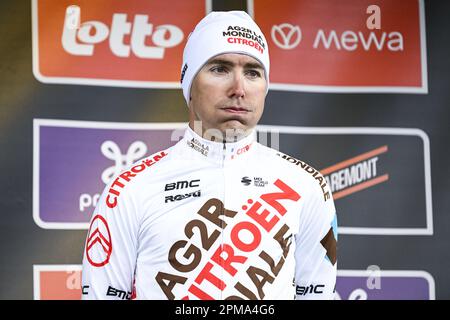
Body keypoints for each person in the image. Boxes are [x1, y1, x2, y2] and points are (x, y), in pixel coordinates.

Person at [81, 10, 338, 300]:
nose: (239, 89)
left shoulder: (307, 185)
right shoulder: (129, 190)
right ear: (189, 83)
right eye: (220, 68)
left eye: (253, 72)